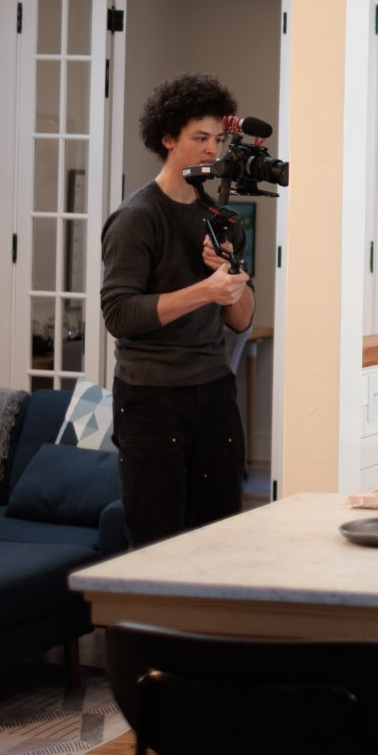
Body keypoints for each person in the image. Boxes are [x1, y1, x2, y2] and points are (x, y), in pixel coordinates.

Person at [101, 72, 255, 547]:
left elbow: (241, 318)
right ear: (167, 139)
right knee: (155, 537)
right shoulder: (137, 217)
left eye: (216, 139)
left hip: (213, 390)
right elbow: (119, 314)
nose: (212, 149)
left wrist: (232, 284)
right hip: (151, 398)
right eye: (199, 138)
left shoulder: (222, 218)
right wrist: (205, 291)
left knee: (220, 531)